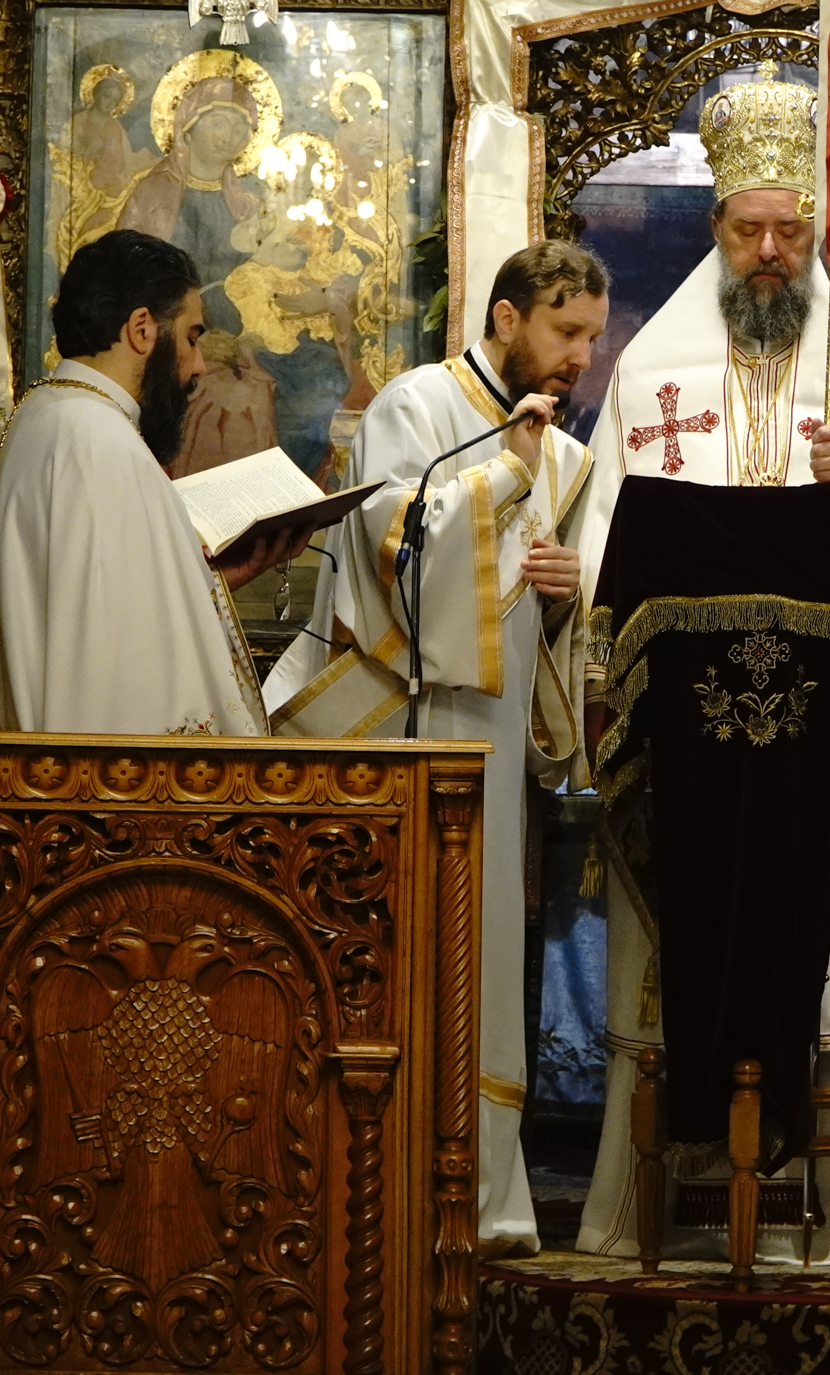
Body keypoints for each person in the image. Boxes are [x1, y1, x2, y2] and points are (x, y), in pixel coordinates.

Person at [569, 63, 830, 1263]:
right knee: (671, 973)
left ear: (816, 236)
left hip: (821, 755)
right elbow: (603, 549)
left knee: (829, 972)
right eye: (746, 229)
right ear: (715, 228)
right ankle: (642, 1209)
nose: (766, 253)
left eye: (789, 232)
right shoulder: (650, 378)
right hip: (687, 757)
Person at [266, 238, 609, 1258]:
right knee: (394, 959)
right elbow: (394, 563)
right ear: (506, 317)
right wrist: (504, 475)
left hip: (493, 748)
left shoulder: (564, 455)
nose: (580, 357)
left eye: (592, 338)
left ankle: (481, 1196)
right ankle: (378, 1190)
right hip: (401, 732)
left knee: (484, 965)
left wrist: (561, 595)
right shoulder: (414, 407)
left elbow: (534, 618)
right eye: (566, 331)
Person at [0, 229, 306, 735]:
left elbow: (93, 614)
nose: (199, 366)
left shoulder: (39, 418)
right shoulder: (101, 443)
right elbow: (117, 674)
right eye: (192, 337)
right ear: (142, 329)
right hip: (103, 776)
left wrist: (212, 580)